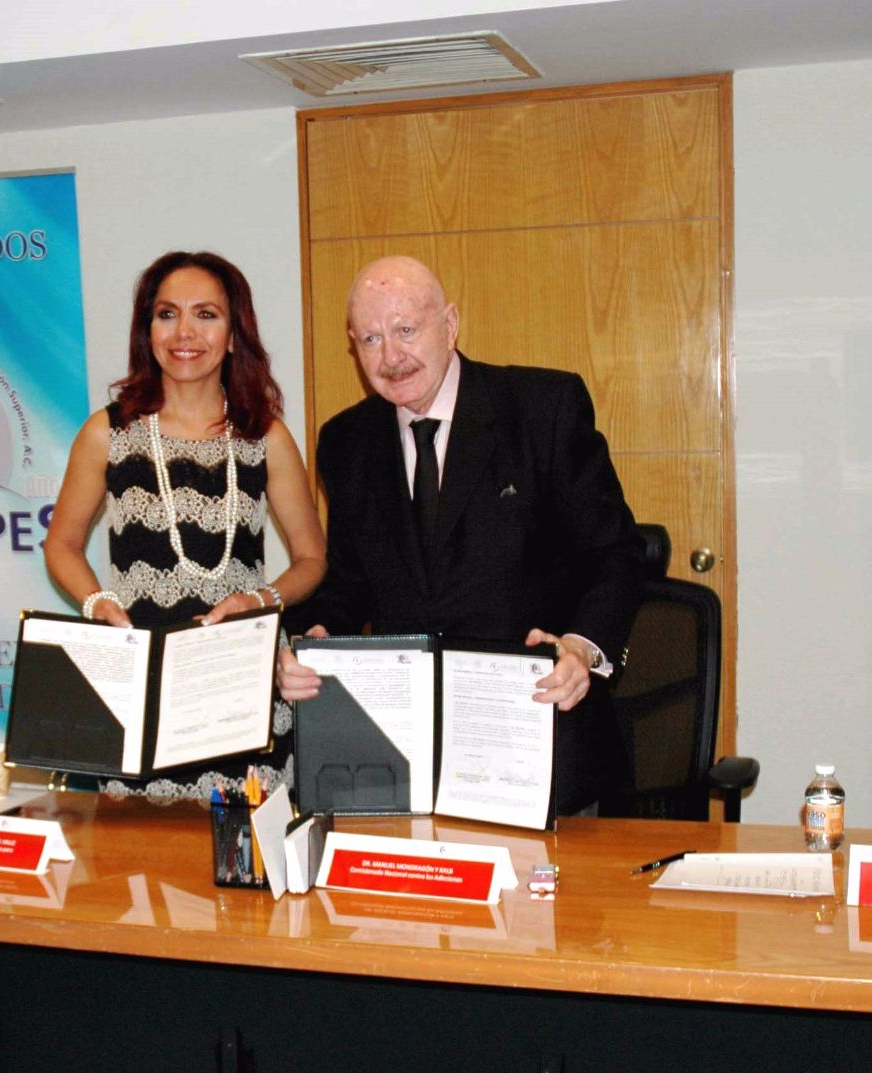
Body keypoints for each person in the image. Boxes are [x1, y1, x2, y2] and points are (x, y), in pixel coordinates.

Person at [277, 255, 642, 818]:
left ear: (449, 325)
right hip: (407, 755)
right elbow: (349, 579)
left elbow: (614, 554)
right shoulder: (347, 441)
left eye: (405, 330)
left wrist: (584, 646)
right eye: (371, 338)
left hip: (540, 738)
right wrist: (316, 637)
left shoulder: (542, 408)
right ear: (353, 347)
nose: (391, 357)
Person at [44, 250, 326, 800]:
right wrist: (96, 603)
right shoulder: (109, 431)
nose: (184, 332)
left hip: (240, 683)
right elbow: (62, 545)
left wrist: (260, 599)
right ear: (147, 328)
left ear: (234, 332)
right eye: (167, 313)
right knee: (140, 866)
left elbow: (312, 559)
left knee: (246, 867)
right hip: (141, 686)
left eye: (206, 314)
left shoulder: (263, 435)